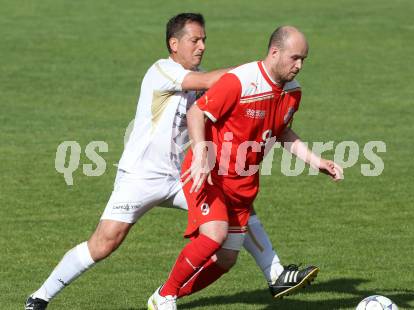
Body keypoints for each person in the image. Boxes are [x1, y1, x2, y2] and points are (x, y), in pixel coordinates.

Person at [25, 13, 312, 310]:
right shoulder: (162, 70)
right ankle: (40, 297)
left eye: (204, 40)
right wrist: (262, 70)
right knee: (104, 243)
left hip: (180, 176)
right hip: (140, 176)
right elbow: (215, 80)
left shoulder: (203, 80)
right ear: (174, 44)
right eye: (194, 40)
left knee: (231, 208)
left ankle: (273, 272)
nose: (201, 46)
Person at [147, 25, 343, 310]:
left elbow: (282, 132)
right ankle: (165, 295)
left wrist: (316, 161)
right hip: (209, 172)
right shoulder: (240, 80)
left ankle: (166, 295)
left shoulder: (292, 92)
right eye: (295, 58)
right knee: (213, 235)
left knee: (226, 260)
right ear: (275, 52)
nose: (299, 66)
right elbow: (196, 112)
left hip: (243, 182)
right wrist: (201, 153)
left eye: (303, 60)